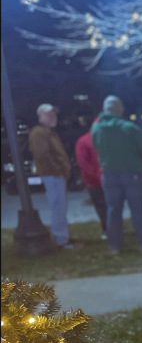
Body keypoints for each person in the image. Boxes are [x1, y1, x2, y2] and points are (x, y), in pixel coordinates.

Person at [91, 96, 142, 255]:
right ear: (120, 109)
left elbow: (96, 147)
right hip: (132, 173)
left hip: (109, 174)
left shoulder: (96, 129)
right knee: (137, 210)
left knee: (113, 211)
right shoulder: (129, 128)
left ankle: (115, 246)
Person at [28, 103, 76, 249]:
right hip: (52, 175)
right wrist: (58, 170)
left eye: (54, 114)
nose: (53, 117)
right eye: (49, 115)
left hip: (55, 175)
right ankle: (60, 239)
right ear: (40, 117)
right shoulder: (38, 133)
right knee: (58, 207)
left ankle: (62, 237)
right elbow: (43, 155)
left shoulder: (48, 132)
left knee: (60, 207)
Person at [75, 118, 107, 238]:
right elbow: (83, 163)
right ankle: (107, 229)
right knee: (102, 206)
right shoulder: (84, 141)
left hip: (108, 179)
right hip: (94, 182)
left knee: (110, 206)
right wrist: (97, 175)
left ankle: (112, 228)